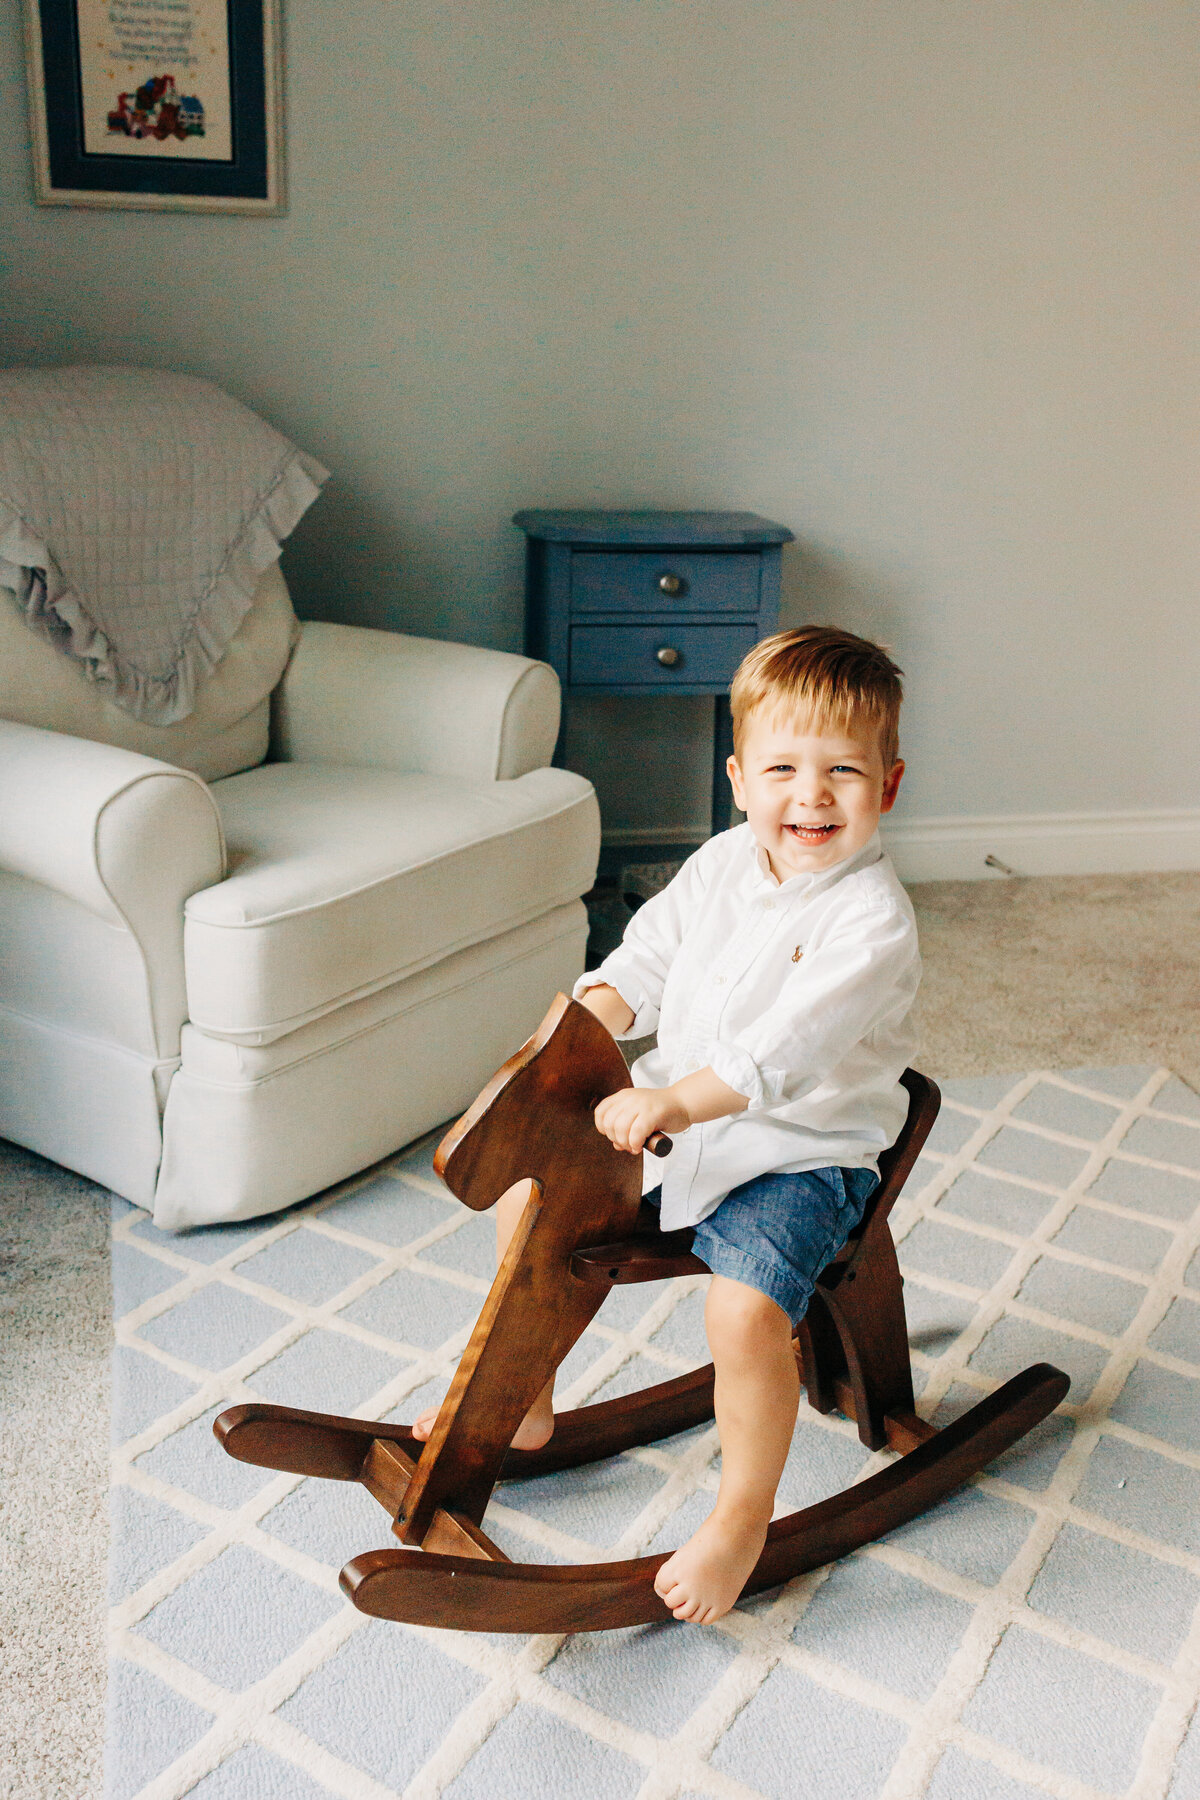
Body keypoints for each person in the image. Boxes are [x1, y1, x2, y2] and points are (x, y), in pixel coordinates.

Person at [414, 625, 921, 1624]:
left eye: (843, 773)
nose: (809, 797)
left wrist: (673, 1100)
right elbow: (642, 962)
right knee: (537, 1206)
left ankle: (740, 1518)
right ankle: (532, 1393)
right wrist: (586, 1024)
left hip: (799, 1153)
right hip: (682, 1126)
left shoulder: (872, 922)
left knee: (741, 1316)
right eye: (782, 768)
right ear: (738, 779)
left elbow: (781, 1051)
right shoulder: (726, 862)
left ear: (888, 788)